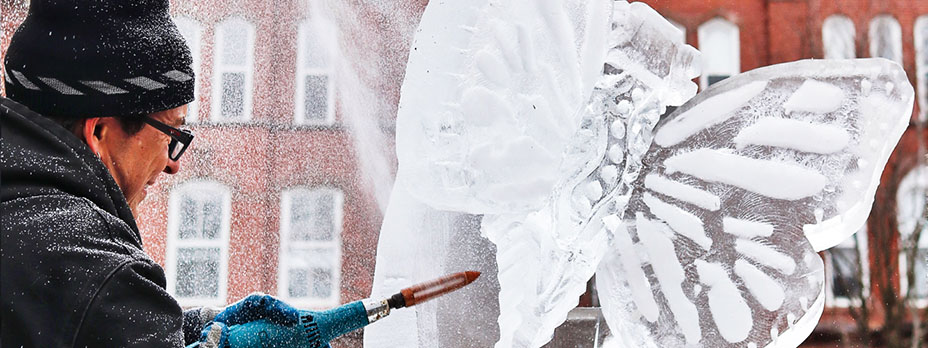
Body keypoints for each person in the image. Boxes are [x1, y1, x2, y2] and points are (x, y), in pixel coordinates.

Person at [1, 0, 302, 346]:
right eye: (171, 134)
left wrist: (184, 329)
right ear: (99, 132)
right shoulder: (100, 272)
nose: (173, 164)